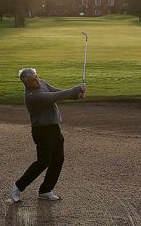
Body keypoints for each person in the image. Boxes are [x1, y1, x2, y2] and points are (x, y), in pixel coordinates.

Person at [10, 67, 86, 203]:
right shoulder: (33, 97)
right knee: (43, 162)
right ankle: (17, 186)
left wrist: (75, 96)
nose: (37, 80)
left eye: (37, 76)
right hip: (42, 131)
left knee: (58, 159)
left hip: (54, 128)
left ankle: (45, 190)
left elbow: (56, 91)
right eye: (34, 80)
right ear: (27, 83)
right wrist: (77, 89)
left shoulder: (42, 82)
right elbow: (55, 97)